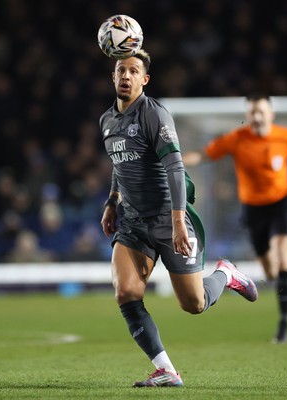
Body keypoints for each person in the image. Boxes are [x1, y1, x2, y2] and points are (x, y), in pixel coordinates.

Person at [99, 49, 258, 388]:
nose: (125, 76)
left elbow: (175, 167)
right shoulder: (107, 121)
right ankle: (166, 370)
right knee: (126, 291)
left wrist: (176, 221)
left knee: (194, 303)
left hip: (168, 217)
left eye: (133, 71)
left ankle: (225, 273)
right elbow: (120, 164)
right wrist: (112, 201)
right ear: (113, 77)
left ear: (145, 79)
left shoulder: (155, 114)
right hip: (133, 222)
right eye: (120, 70)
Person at [183, 94, 287, 344]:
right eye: (252, 112)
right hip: (253, 209)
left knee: (284, 259)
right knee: (270, 271)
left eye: (261, 111)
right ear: (248, 116)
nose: (257, 116)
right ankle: (274, 280)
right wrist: (173, 161)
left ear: (271, 114)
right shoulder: (237, 139)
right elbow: (204, 154)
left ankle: (283, 325)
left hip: (281, 205)